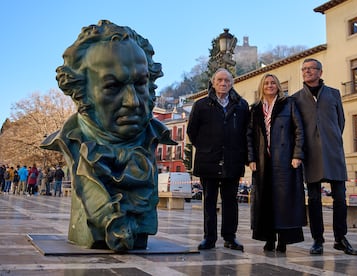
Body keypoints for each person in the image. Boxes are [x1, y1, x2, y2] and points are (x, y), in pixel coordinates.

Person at [40, 20, 175, 251]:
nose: (132, 101)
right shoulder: (69, 141)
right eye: (112, 87)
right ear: (80, 91)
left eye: (140, 83)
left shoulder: (155, 136)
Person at [292, 58, 357, 256]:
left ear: (320, 72)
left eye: (311, 68)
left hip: (333, 151)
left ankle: (340, 238)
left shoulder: (334, 94)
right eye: (304, 69)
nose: (306, 72)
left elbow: (341, 121)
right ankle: (318, 240)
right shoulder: (295, 98)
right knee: (313, 199)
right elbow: (296, 127)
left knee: (340, 197)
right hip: (310, 153)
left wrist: (331, 138)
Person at [187, 68, 249, 251]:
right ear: (213, 83)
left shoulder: (241, 105)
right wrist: (207, 147)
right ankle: (209, 238)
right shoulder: (201, 105)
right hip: (208, 160)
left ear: (232, 83)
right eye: (220, 80)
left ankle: (230, 237)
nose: (223, 83)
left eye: (227, 81)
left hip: (233, 160)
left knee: (231, 201)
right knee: (209, 201)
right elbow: (192, 132)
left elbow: (246, 132)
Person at [247, 73, 307, 253]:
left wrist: (297, 155)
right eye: (266, 83)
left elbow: (299, 130)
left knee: (284, 202)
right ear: (262, 87)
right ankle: (269, 238)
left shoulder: (289, 104)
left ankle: (283, 239)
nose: (270, 85)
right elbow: (249, 136)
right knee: (265, 202)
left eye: (273, 82)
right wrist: (251, 158)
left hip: (286, 161)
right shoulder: (255, 108)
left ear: (278, 86)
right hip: (263, 162)